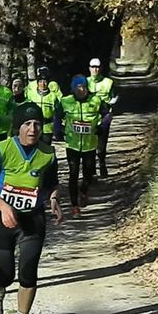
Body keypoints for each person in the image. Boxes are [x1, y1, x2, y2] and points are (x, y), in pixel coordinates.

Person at [0, 102, 63, 314]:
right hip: (2, 219)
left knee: (28, 271)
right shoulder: (1, 150)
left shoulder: (48, 153)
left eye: (37, 124)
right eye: (27, 124)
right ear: (17, 127)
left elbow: (52, 183)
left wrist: (54, 199)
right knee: (5, 273)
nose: (33, 129)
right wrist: (3, 206)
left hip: (33, 218)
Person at [55, 74, 110, 218]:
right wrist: (58, 130)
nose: (82, 90)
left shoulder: (96, 100)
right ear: (74, 89)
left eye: (85, 87)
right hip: (72, 145)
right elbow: (57, 116)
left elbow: (107, 115)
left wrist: (101, 127)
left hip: (89, 145)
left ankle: (84, 190)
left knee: (88, 174)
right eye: (79, 87)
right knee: (73, 173)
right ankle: (74, 207)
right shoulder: (66, 101)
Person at [87, 58, 116, 177]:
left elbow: (113, 98)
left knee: (101, 145)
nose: (95, 69)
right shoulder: (85, 81)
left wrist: (109, 112)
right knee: (89, 144)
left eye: (97, 67)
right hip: (89, 116)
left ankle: (102, 164)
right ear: (89, 68)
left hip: (104, 116)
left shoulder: (108, 82)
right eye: (93, 67)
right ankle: (92, 169)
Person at [24, 66, 62, 144]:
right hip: (33, 125)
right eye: (40, 81)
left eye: (45, 81)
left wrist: (57, 127)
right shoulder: (31, 92)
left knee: (45, 148)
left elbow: (58, 110)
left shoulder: (53, 95)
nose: (43, 83)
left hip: (47, 127)